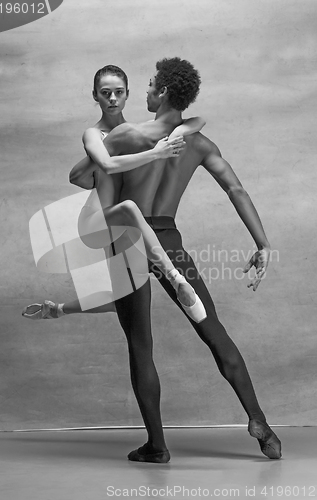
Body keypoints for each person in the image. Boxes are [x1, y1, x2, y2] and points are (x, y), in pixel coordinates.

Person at [70, 57, 282, 463]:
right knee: (212, 328)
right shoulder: (198, 142)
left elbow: (80, 175)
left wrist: (102, 152)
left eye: (150, 85)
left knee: (140, 343)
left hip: (127, 237)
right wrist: (263, 244)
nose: (145, 91)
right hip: (167, 236)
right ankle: (259, 423)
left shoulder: (129, 134)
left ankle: (157, 446)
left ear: (163, 91)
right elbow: (235, 188)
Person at [22, 65, 207, 323]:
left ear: (127, 94)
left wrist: (177, 133)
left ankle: (57, 309)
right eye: (105, 93)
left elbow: (198, 120)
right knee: (130, 207)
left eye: (118, 92)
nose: (112, 99)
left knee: (122, 300)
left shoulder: (134, 132)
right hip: (95, 221)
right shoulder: (94, 134)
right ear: (95, 95)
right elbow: (106, 165)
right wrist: (156, 153)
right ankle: (176, 278)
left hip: (125, 225)